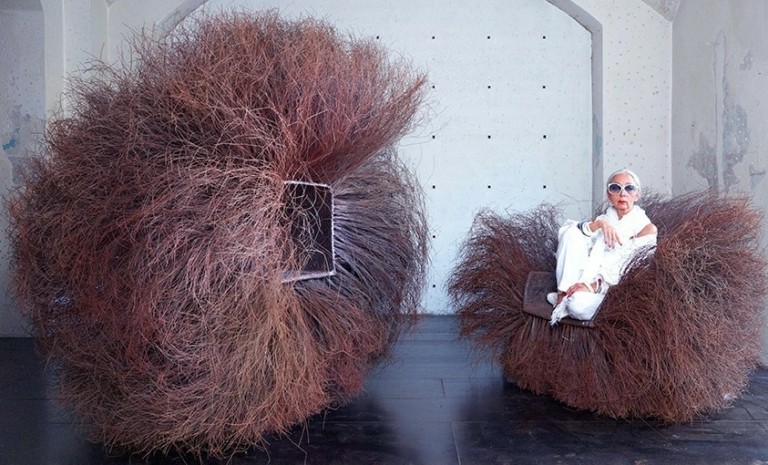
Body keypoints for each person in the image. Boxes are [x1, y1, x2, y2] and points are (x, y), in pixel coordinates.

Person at [547, 168, 658, 324]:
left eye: (629, 188)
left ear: (637, 194)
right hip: (585, 278)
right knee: (571, 232)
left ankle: (568, 301)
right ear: (608, 194)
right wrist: (599, 224)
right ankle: (564, 293)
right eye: (615, 188)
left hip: (610, 290)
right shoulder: (604, 219)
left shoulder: (646, 228)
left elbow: (635, 270)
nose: (623, 193)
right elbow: (571, 235)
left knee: (578, 306)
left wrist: (593, 286)